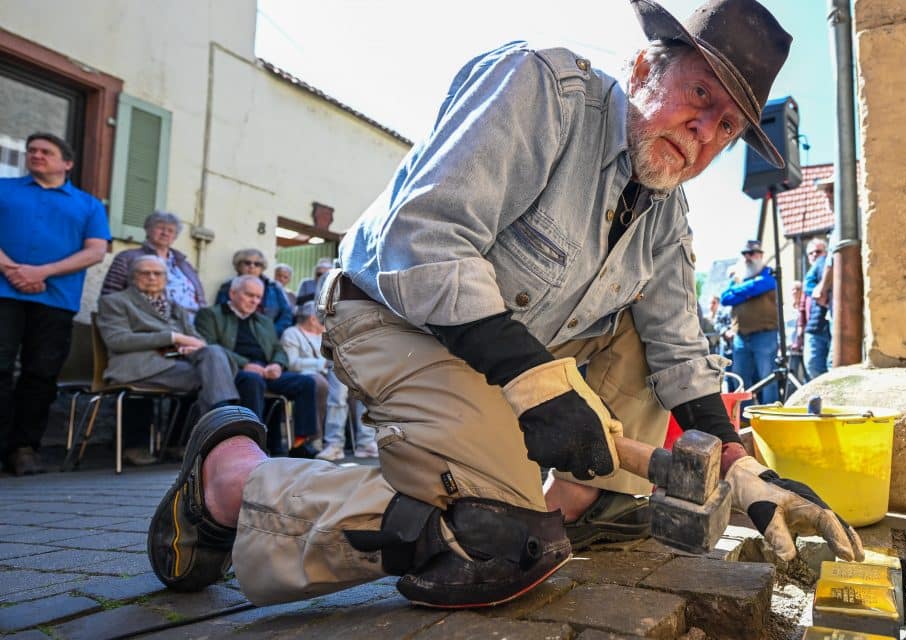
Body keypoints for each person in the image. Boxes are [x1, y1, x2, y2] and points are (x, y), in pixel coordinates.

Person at [147, 0, 861, 610]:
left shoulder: (668, 211)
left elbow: (678, 346)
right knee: (499, 541)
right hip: (397, 318)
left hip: (513, 356)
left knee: (629, 369)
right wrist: (537, 384)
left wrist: (740, 469)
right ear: (644, 68)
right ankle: (233, 480)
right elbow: (424, 242)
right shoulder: (542, 87)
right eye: (700, 98)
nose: (704, 133)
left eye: (728, 127)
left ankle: (567, 505)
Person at [0, 132, 110, 476]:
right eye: (31, 150)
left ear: (67, 163)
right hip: (4, 293)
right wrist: (10, 268)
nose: (36, 155)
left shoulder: (88, 204)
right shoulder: (5, 189)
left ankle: (24, 449)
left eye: (46, 152)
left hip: (56, 299)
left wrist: (42, 270)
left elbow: (96, 250)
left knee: (41, 374)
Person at [97, 255, 238, 465]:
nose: (152, 277)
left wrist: (191, 345)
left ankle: (214, 426)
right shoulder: (115, 301)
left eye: (158, 273)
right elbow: (117, 340)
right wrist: (172, 337)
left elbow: (196, 338)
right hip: (138, 365)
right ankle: (220, 430)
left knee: (213, 354)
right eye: (145, 273)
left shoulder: (174, 306)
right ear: (132, 277)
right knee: (210, 375)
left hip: (175, 363)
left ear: (166, 278)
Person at [196, 275, 319, 458]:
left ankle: (300, 443)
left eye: (258, 297)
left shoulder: (264, 321)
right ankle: (255, 445)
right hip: (232, 371)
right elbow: (210, 346)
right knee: (253, 381)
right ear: (232, 293)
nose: (254, 301)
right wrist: (245, 364)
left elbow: (278, 348)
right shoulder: (211, 315)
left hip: (265, 370)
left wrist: (277, 364)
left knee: (306, 383)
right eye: (249, 295)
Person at [280, 301, 377, 461]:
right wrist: (321, 363)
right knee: (335, 394)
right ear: (313, 319)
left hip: (332, 373)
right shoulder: (292, 333)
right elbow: (291, 363)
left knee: (362, 391)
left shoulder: (325, 334)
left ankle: (364, 443)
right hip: (310, 377)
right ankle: (333, 443)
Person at [101, 211, 205, 322]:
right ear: (147, 230)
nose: (165, 233)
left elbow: (201, 299)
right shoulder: (127, 258)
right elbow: (110, 294)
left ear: (175, 236)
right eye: (160, 228)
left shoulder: (184, 264)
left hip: (193, 323)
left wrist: (205, 319)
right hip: (153, 321)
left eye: (170, 230)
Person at [719, 239, 779, 404]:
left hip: (765, 335)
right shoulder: (738, 277)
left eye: (751, 253)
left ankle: (770, 416)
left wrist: (739, 292)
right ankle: (743, 418)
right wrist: (749, 290)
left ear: (760, 255)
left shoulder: (769, 273)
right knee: (741, 379)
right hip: (741, 337)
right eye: (744, 254)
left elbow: (766, 284)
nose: (747, 257)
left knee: (768, 378)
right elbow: (724, 298)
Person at [214, 249, 293, 336]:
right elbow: (220, 313)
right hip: (236, 336)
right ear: (238, 266)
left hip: (268, 336)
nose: (252, 266)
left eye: (257, 264)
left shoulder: (274, 287)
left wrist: (271, 333)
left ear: (262, 268)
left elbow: (286, 314)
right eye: (247, 263)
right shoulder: (228, 286)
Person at [803, 238, 832, 378]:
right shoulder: (811, 272)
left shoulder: (825, 262)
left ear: (825, 252)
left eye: (818, 251)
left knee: (830, 365)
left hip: (829, 324)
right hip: (816, 325)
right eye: (811, 253)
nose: (815, 255)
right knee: (814, 366)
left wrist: (821, 291)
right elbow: (808, 287)